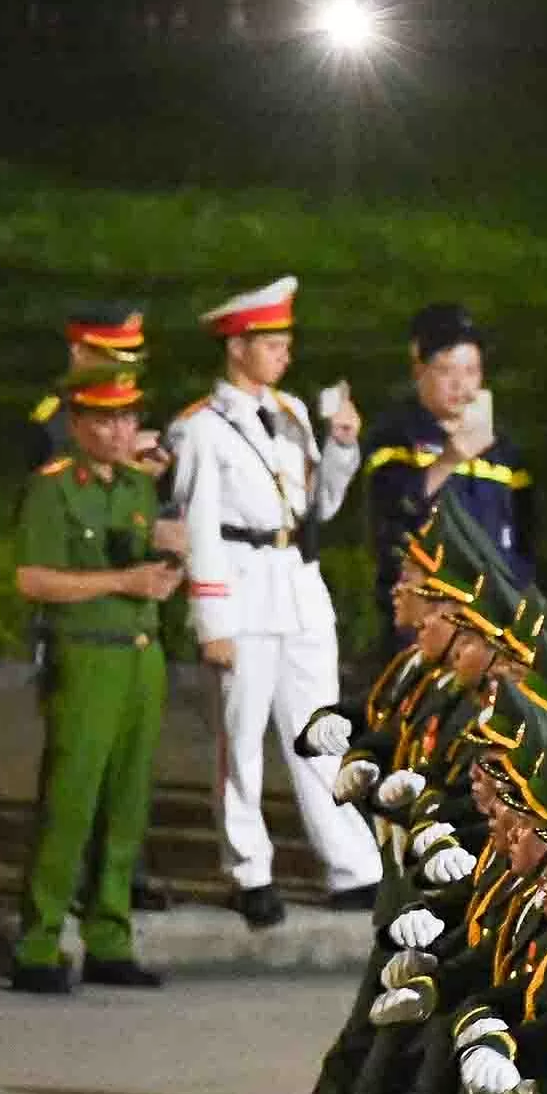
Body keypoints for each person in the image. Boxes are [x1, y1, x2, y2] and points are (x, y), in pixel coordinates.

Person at [168, 275, 382, 927]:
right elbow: (197, 524)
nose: (284, 352)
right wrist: (212, 618)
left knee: (319, 728)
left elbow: (319, 505)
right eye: (272, 341)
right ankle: (248, 868)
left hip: (295, 582)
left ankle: (352, 865)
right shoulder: (198, 429)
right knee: (240, 738)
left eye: (287, 340)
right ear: (237, 347)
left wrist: (343, 447)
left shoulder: (290, 413)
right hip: (240, 584)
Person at [8, 358, 181, 994]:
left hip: (142, 653)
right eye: (104, 419)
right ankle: (38, 940)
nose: (117, 431)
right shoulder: (54, 488)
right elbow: (31, 579)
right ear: (77, 423)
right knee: (71, 801)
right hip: (86, 654)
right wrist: (120, 581)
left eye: (127, 417)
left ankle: (110, 935)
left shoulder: (139, 487)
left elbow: (149, 565)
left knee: (127, 801)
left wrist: (168, 569)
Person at [360, 302, 533, 616]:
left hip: (489, 617)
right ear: (419, 370)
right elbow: (394, 510)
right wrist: (450, 460)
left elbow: (523, 537)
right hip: (423, 613)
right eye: (446, 370)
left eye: (471, 371)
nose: (460, 384)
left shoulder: (503, 450)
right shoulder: (396, 436)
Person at [18, 300, 155, 474]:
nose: (125, 367)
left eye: (131, 353)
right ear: (79, 353)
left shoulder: (134, 403)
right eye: (113, 355)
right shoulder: (56, 421)